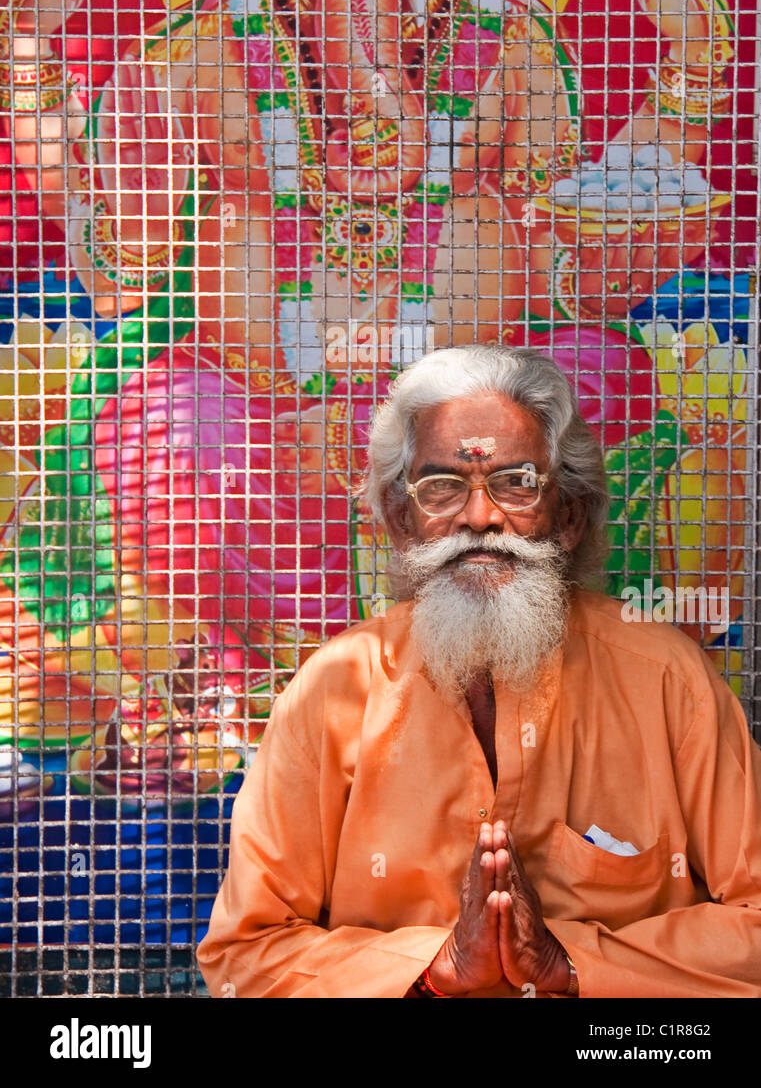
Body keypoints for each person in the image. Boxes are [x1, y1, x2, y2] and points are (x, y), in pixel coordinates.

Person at [0, 0, 740, 802]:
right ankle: (250, 707)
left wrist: (687, 65)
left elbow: (581, 259)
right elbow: (121, 267)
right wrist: (30, 47)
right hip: (261, 443)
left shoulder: (505, 47)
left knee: (600, 387)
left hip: (467, 445)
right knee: (163, 426)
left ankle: (531, 715)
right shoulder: (208, 51)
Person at [197, 344, 761, 998]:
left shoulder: (666, 678)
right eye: (441, 487)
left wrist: (570, 964)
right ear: (403, 524)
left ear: (568, 518)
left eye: (516, 482)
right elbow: (245, 954)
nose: (479, 517)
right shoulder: (332, 691)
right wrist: (431, 971)